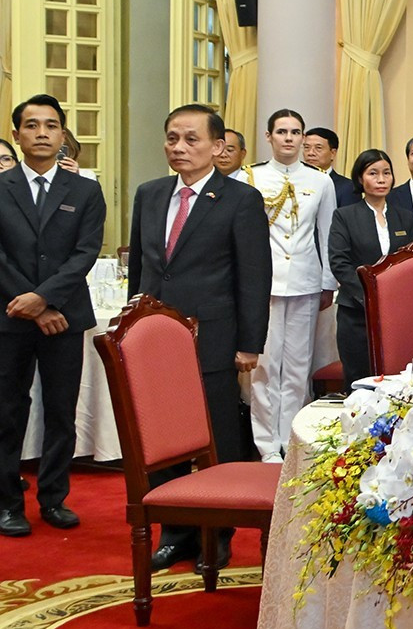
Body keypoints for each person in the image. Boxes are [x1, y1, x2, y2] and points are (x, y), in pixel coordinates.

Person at [127, 103, 271, 571]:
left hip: (214, 336)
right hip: (157, 340)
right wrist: (134, 327)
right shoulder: (149, 194)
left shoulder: (239, 199)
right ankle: (177, 533)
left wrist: (249, 342)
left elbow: (254, 275)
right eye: (172, 138)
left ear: (217, 146)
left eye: (191, 139)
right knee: (163, 436)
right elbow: (140, 272)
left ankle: (218, 533)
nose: (180, 147)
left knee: (218, 437)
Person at [0, 95, 105, 536]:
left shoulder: (85, 190)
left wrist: (45, 300)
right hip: (9, 316)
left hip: (64, 316)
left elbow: (85, 253)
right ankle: (8, 504)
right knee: (7, 411)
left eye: (50, 125)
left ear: (63, 135)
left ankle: (54, 498)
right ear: (17, 135)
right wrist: (29, 303)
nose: (41, 133)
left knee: (61, 410)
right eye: (31, 125)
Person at [247, 108, 338, 464]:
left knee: (299, 365)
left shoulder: (320, 181)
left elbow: (327, 234)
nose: (289, 138)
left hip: (305, 279)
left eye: (295, 132)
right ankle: (265, 443)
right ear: (268, 137)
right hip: (263, 283)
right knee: (265, 365)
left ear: (303, 138)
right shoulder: (249, 177)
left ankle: (290, 437)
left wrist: (328, 281)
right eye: (281, 131)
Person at [327, 149, 413, 385]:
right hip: (357, 312)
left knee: (397, 380)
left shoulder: (404, 217)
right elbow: (340, 262)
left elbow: (412, 261)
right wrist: (370, 296)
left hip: (397, 311)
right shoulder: (344, 216)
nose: (381, 179)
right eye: (373, 173)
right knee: (360, 381)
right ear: (360, 178)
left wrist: (393, 295)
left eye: (386, 173)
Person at [303, 126, 357, 207]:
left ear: (333, 153)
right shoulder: (295, 181)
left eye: (318, 148)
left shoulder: (347, 187)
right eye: (306, 147)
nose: (311, 153)